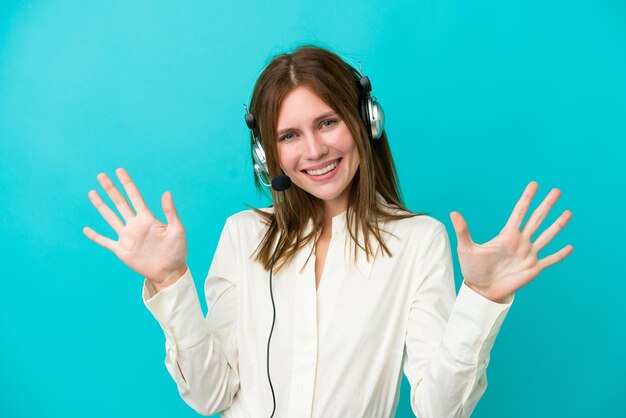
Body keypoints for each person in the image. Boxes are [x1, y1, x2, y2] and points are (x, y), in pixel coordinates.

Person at [83, 45, 573, 417]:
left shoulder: (416, 241)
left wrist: (482, 299)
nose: (314, 150)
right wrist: (171, 283)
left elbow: (439, 408)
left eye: (328, 122)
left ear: (366, 121)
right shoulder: (242, 236)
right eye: (289, 136)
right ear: (267, 156)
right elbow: (210, 395)